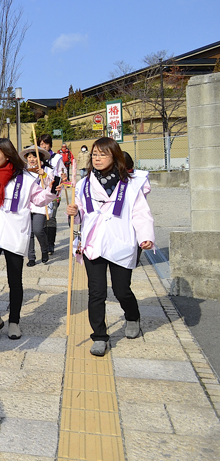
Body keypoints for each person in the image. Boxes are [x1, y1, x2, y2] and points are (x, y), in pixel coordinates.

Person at [67, 137, 154, 357]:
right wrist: (74, 213)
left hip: (121, 242)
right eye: (94, 154)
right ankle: (99, 336)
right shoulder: (83, 184)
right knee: (96, 292)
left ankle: (132, 316)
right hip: (93, 243)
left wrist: (145, 236)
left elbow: (140, 213)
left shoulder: (131, 183)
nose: (96, 158)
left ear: (114, 156)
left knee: (121, 290)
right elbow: (80, 217)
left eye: (102, 154)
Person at [0, 138, 59, 341]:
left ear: (7, 155)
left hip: (14, 232)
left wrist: (51, 192)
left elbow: (37, 199)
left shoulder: (25, 178)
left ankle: (14, 321)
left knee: (14, 279)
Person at [19, 145, 54, 266]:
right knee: (29, 232)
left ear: (41, 159)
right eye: (29, 157)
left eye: (35, 157)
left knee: (38, 230)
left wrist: (43, 175)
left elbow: (52, 185)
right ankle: (31, 257)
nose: (32, 159)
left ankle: (45, 250)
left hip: (40, 205)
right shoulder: (23, 171)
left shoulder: (47, 170)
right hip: (26, 204)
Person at [38, 134, 67, 254]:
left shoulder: (57, 158)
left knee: (51, 218)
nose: (43, 146)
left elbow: (62, 173)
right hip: (40, 191)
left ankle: (50, 244)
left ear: (50, 144)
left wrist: (64, 177)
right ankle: (44, 244)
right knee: (42, 219)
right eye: (41, 144)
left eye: (45, 143)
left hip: (54, 190)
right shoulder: (36, 157)